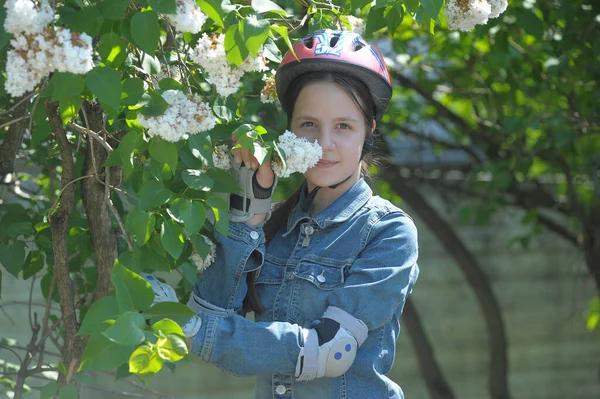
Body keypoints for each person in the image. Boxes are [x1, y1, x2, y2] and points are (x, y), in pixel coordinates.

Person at [144, 29, 419, 398]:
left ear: (368, 131)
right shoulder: (277, 224)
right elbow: (211, 308)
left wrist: (187, 328)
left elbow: (330, 350)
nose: (323, 144)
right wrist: (247, 215)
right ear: (289, 129)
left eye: (343, 126)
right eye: (308, 125)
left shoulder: (388, 231)